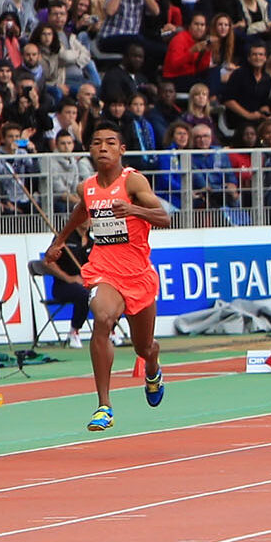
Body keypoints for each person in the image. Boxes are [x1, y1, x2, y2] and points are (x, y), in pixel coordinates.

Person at [42, 121, 170, 433]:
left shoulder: (134, 182)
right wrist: (59, 241)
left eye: (110, 142)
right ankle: (104, 405)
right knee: (102, 318)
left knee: (144, 347)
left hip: (137, 274)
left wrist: (133, 210)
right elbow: (81, 212)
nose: (103, 148)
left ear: (122, 149)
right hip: (103, 269)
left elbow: (164, 217)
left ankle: (152, 369)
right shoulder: (86, 187)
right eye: (97, 142)